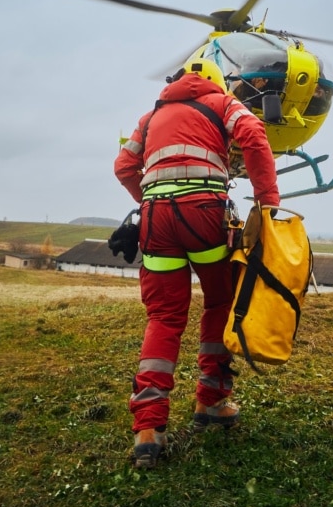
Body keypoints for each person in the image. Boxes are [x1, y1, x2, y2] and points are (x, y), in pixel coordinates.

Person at [114, 58, 280, 469]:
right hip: (205, 213)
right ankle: (211, 400)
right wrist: (267, 202)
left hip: (155, 218)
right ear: (216, 82)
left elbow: (124, 166)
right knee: (219, 302)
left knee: (164, 317)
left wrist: (149, 201)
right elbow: (254, 135)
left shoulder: (150, 116)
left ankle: (148, 428)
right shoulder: (222, 102)